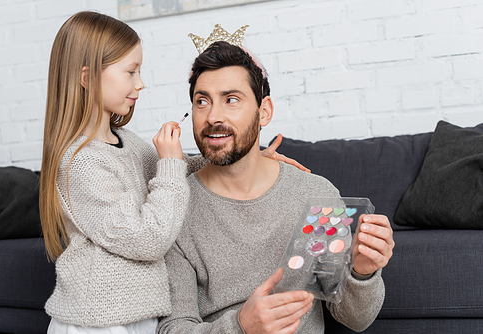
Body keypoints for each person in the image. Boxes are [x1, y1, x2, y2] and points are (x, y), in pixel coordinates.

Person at [39, 12, 304, 334]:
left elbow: (167, 170)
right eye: (130, 72)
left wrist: (248, 156)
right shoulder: (80, 162)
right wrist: (169, 163)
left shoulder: (126, 142)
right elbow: (149, 239)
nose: (140, 83)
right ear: (87, 77)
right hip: (98, 321)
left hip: (141, 314)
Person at [157, 41, 395, 334]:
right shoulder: (172, 207)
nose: (213, 117)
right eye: (201, 101)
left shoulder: (315, 194)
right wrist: (241, 326)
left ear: (264, 111)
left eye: (231, 99)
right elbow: (174, 328)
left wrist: (362, 271)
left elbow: (356, 319)